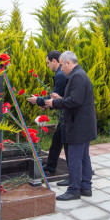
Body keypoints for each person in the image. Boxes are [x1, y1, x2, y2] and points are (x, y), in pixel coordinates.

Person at [45, 51, 97, 201]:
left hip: (78, 125)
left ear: (68, 63)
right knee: (83, 157)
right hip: (81, 124)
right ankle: (86, 187)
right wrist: (61, 99)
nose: (61, 68)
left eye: (61, 65)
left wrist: (55, 102)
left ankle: (74, 189)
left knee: (75, 158)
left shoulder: (78, 76)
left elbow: (75, 101)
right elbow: (75, 99)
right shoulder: (77, 75)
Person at [27, 50, 68, 178]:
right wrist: (45, 104)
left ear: (54, 61)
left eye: (48, 63)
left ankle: (67, 172)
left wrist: (38, 101)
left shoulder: (60, 75)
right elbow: (57, 99)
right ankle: (51, 166)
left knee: (63, 143)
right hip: (66, 113)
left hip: (67, 115)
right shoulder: (60, 74)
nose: (48, 66)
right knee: (57, 139)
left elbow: (57, 98)